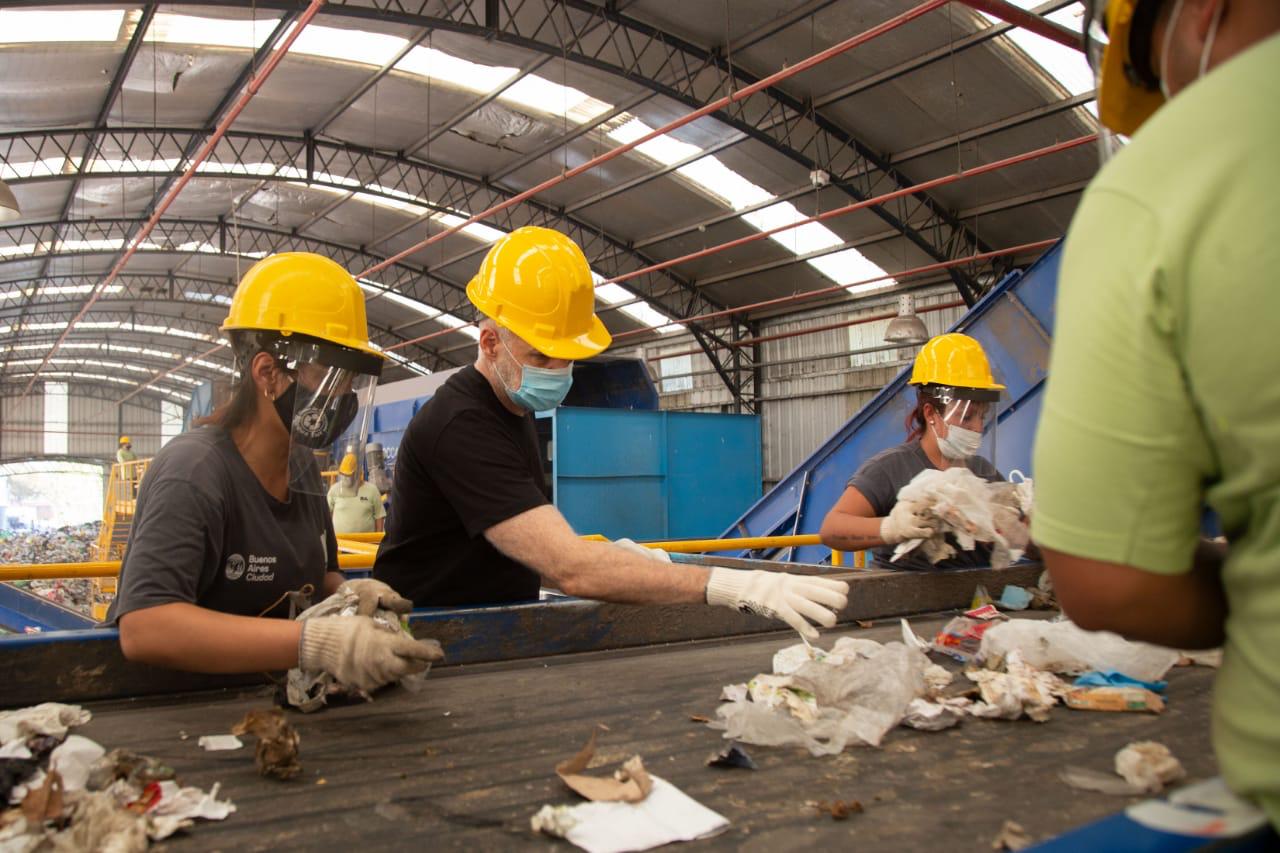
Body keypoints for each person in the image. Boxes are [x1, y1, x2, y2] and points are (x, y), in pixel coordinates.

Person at [1033, 0, 1279, 828]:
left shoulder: (1181, 168)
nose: (1171, 105)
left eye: (1146, 71)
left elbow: (1110, 578)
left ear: (1202, 10)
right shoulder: (893, 471)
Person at [374, 226, 848, 640]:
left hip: (486, 625)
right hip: (427, 638)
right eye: (541, 356)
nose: (558, 370)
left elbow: (534, 544)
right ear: (490, 341)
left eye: (566, 356)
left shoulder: (510, 407)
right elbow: (569, 569)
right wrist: (728, 585)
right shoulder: (461, 426)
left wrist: (624, 564)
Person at [106, 252, 442, 691]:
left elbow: (313, 571)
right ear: (268, 372)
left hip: (276, 700)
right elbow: (146, 627)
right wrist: (314, 641)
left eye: (350, 382)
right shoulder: (193, 471)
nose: (343, 396)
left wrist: (347, 594)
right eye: (333, 377)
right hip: (188, 711)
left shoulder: (300, 466)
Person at [818, 333, 1004, 570]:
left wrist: (1021, 531)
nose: (977, 427)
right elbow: (832, 529)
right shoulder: (890, 468)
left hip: (976, 602)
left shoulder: (984, 473)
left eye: (982, 416)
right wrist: (892, 527)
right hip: (901, 599)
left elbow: (1020, 540)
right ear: (930, 413)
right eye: (966, 417)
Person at [328, 452, 386, 534]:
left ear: (357, 473)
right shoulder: (334, 490)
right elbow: (326, 515)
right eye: (343, 474)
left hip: (365, 544)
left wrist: (378, 541)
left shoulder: (372, 490)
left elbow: (379, 516)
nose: (345, 477)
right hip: (340, 543)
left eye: (348, 475)